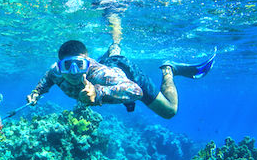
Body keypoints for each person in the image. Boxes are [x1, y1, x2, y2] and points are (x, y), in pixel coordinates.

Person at [26, 15, 215, 119]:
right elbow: (47, 78)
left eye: (80, 65)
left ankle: (169, 69)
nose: (75, 72)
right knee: (114, 53)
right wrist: (37, 92)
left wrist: (99, 93)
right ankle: (114, 46)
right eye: (68, 66)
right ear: (60, 66)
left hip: (127, 72)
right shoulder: (55, 71)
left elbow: (136, 90)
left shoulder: (100, 75)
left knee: (169, 111)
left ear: (88, 63)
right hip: (109, 64)